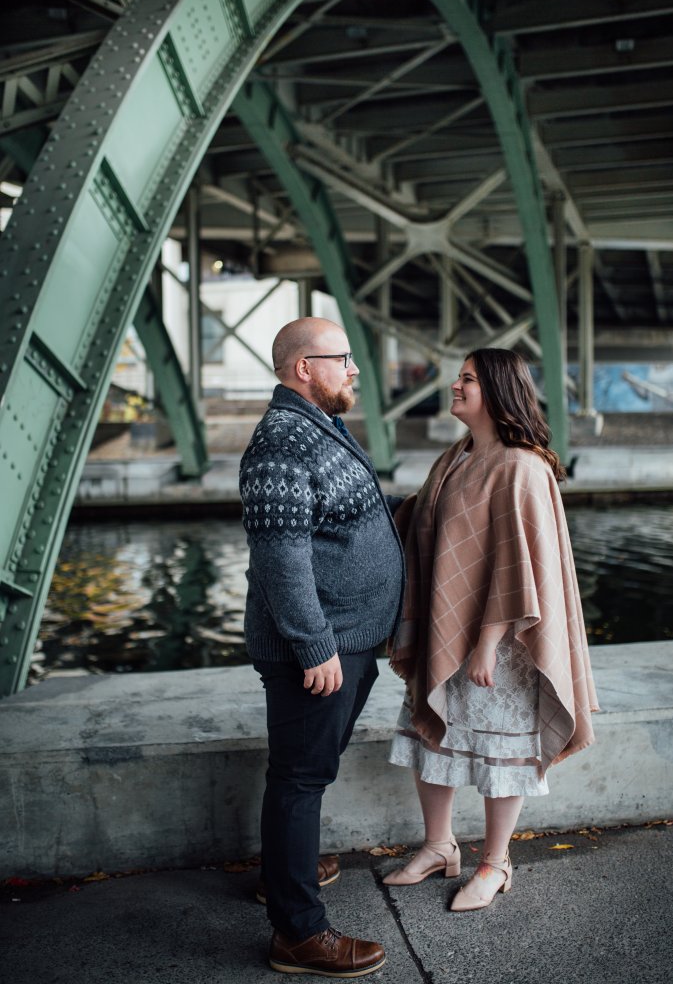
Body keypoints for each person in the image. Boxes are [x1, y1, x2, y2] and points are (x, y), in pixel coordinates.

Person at [384, 348, 598, 911]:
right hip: (445, 630)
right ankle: (439, 846)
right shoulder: (457, 456)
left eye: (468, 379)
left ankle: (495, 862)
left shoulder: (520, 466)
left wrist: (484, 644)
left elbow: (518, 565)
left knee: (498, 756)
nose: (455, 386)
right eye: (458, 377)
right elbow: (430, 531)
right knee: (436, 739)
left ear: (499, 392)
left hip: (499, 646)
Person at [239, 317, 405, 976]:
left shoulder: (318, 425)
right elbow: (281, 559)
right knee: (301, 780)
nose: (354, 369)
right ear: (303, 367)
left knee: (310, 771)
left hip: (348, 641)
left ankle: (289, 870)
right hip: (320, 649)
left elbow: (347, 514)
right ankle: (298, 934)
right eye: (342, 359)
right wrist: (314, 647)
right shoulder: (281, 441)